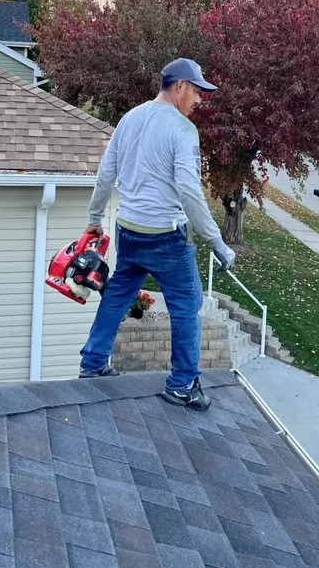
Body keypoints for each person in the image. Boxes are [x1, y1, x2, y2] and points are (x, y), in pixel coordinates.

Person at [78, 58, 236, 411]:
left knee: (118, 293)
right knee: (187, 305)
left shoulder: (130, 118)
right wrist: (217, 242)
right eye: (196, 91)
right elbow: (189, 191)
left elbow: (106, 174)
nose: (199, 99)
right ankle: (181, 385)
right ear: (179, 86)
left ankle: (92, 364)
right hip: (165, 235)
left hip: (129, 229)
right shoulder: (182, 130)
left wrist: (94, 218)